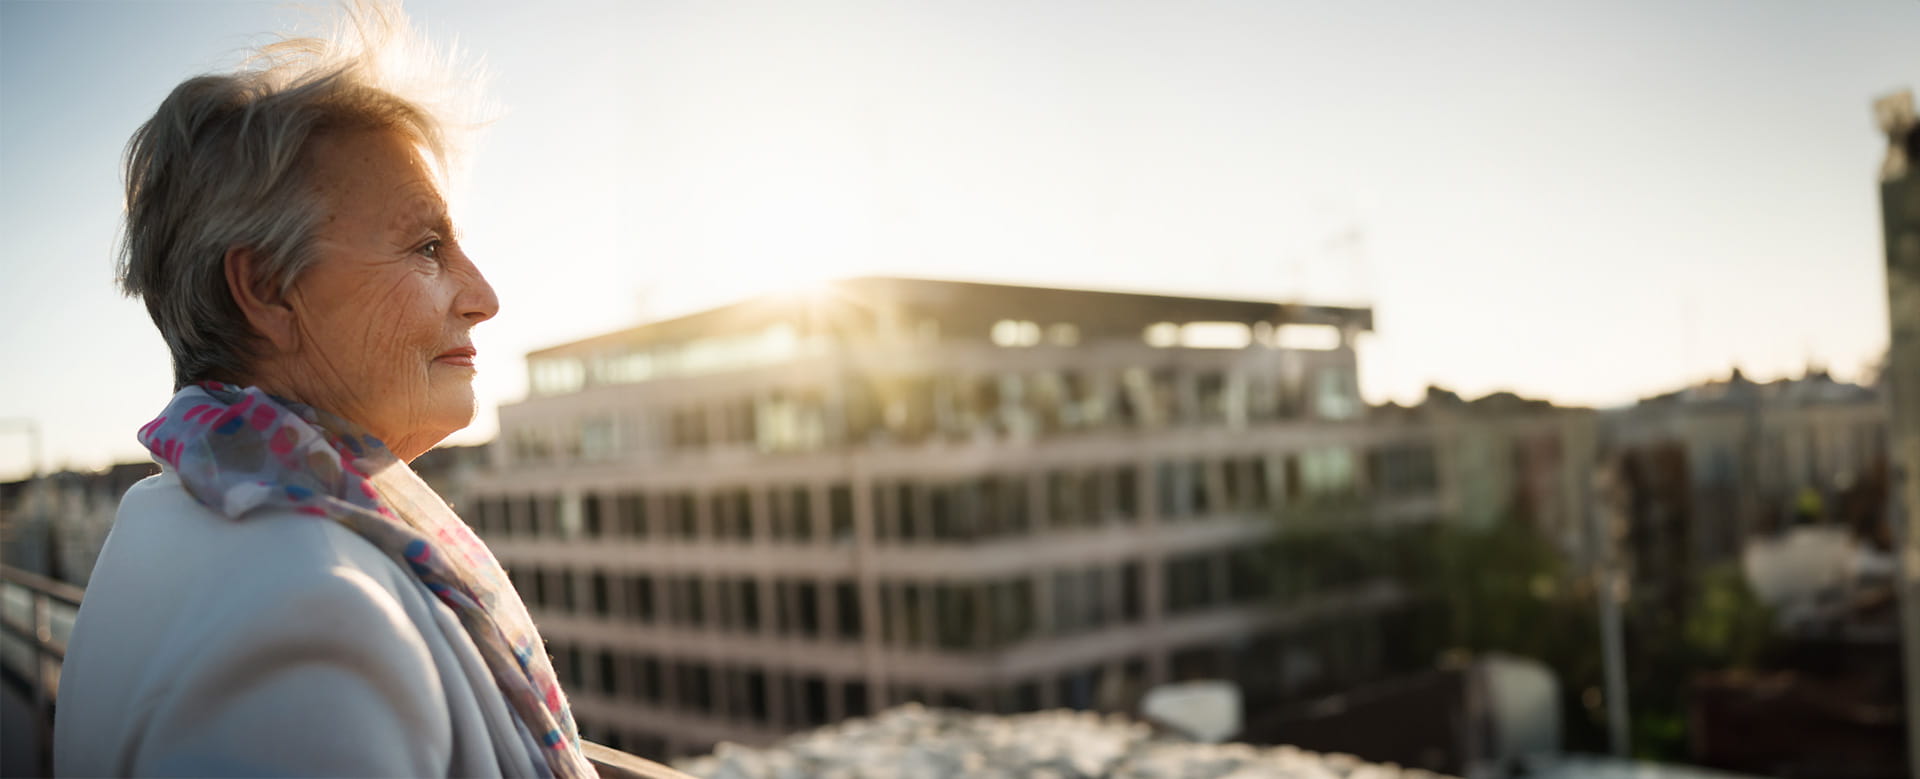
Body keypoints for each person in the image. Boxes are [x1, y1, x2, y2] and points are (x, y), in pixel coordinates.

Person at [52, 5, 681, 777]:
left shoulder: (162, 515)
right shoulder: (312, 616)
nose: (482, 294)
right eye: (426, 246)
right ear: (270, 287)